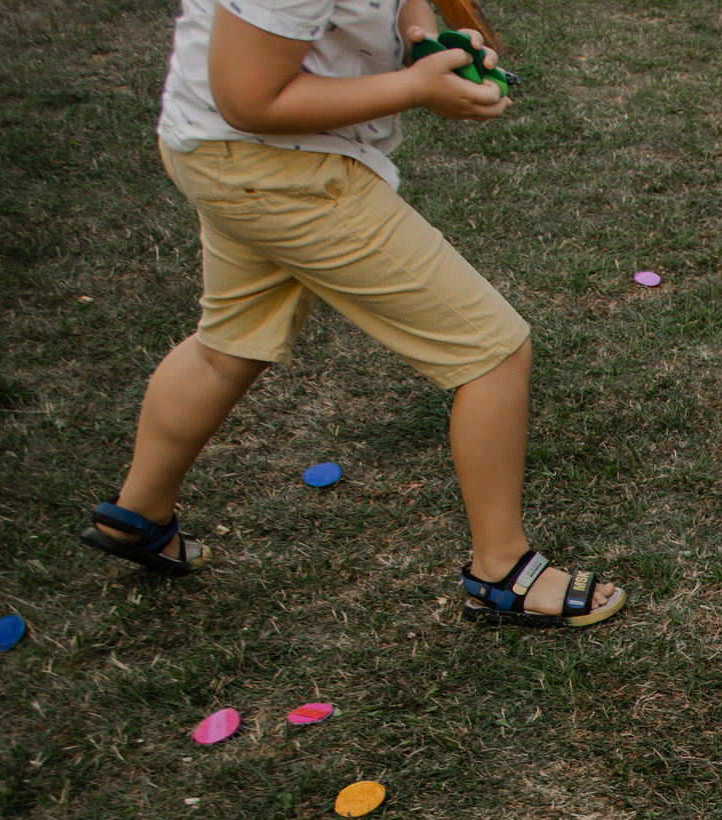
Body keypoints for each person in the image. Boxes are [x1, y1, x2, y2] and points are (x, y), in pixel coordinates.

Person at [81, 0, 622, 630]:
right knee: (491, 350)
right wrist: (415, 87)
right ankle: (500, 570)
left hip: (220, 154)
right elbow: (249, 98)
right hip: (276, 164)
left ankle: (137, 514)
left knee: (227, 343)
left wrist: (422, 38)